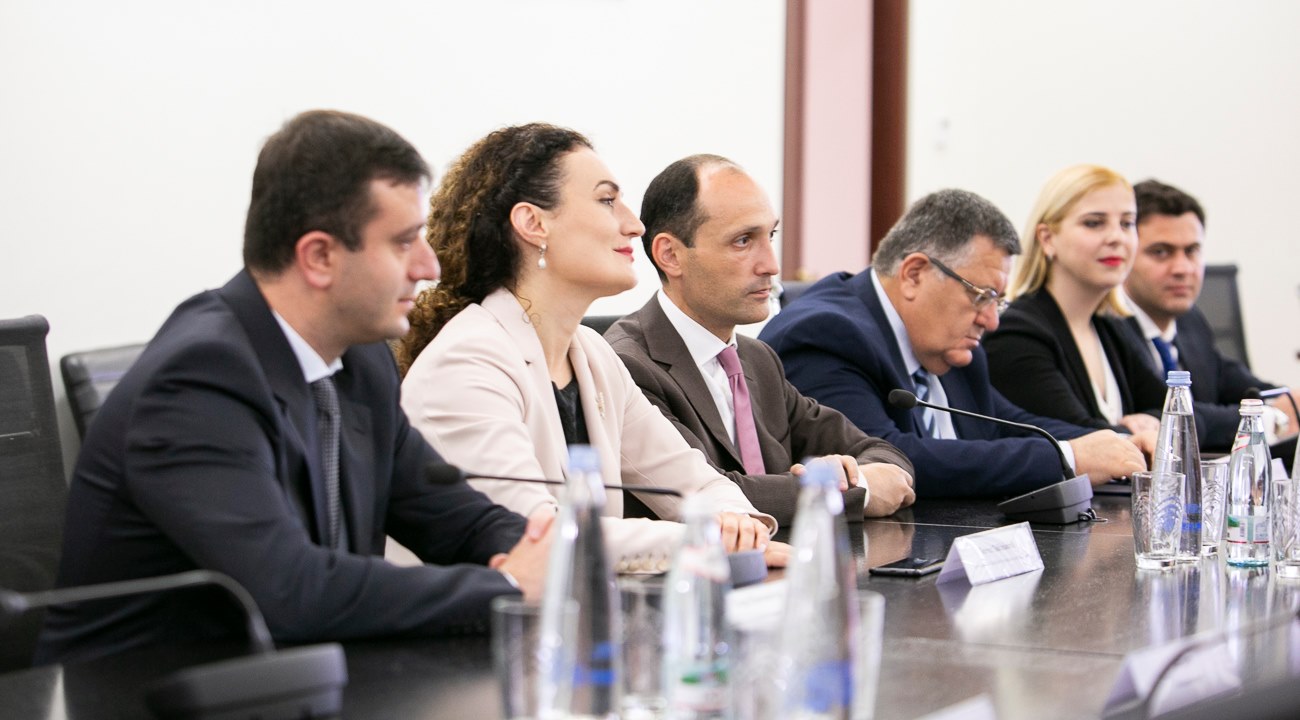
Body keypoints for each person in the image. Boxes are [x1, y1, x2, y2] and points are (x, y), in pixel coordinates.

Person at [37, 111, 551, 666]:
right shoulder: (198, 379)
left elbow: (454, 518)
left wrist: (546, 556)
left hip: (297, 680)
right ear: (319, 257)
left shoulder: (361, 361)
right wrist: (507, 587)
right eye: (404, 243)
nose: (429, 267)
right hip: (139, 691)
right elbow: (289, 591)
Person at [397, 124, 786, 572]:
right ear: (534, 224)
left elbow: (697, 483)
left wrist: (737, 524)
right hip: (475, 615)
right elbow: (536, 536)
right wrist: (704, 539)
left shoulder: (593, 355)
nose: (634, 224)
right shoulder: (465, 363)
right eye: (606, 200)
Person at [758, 189, 1146, 497]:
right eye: (982, 296)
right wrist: (1069, 457)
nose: (991, 320)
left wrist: (1118, 442)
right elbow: (886, 457)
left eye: (998, 301)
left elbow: (1007, 424)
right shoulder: (826, 334)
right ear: (914, 274)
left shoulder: (948, 343)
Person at [604, 154, 915, 523]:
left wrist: (856, 474)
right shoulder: (628, 365)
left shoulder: (757, 358)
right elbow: (714, 496)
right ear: (670, 255)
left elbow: (882, 453)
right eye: (743, 241)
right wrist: (852, 491)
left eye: (770, 236)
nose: (771, 265)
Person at [982, 165, 1172, 453]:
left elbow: (1179, 413)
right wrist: (1141, 432)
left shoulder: (1112, 325)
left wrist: (1153, 421)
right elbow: (1078, 437)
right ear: (1047, 239)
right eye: (1094, 223)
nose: (1116, 237)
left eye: (1127, 223)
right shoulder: (1016, 333)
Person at [1123, 178, 1298, 447]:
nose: (1183, 268)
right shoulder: (1109, 329)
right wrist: (1271, 417)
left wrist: (1286, 402)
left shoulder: (1190, 320)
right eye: (1161, 252)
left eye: (1192, 251)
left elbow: (1241, 386)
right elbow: (1169, 420)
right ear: (1125, 253)